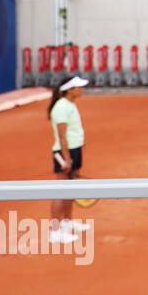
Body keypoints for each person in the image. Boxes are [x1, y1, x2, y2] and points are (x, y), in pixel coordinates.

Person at [47, 75, 90, 244]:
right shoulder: (61, 107)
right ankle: (55, 232)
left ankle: (67, 222)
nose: (82, 89)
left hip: (74, 149)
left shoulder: (70, 104)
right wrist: (66, 159)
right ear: (69, 90)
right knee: (61, 190)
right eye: (78, 87)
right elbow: (61, 135)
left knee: (71, 188)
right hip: (65, 152)